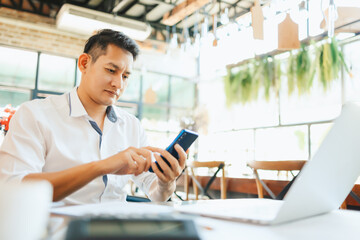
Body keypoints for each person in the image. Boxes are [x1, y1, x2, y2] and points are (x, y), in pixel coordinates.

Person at [0, 29, 186, 204]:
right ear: (84, 63)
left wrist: (166, 183)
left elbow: (155, 193)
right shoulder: (35, 115)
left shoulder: (131, 125)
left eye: (126, 76)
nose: (118, 84)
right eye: (111, 70)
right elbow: (14, 188)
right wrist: (103, 166)